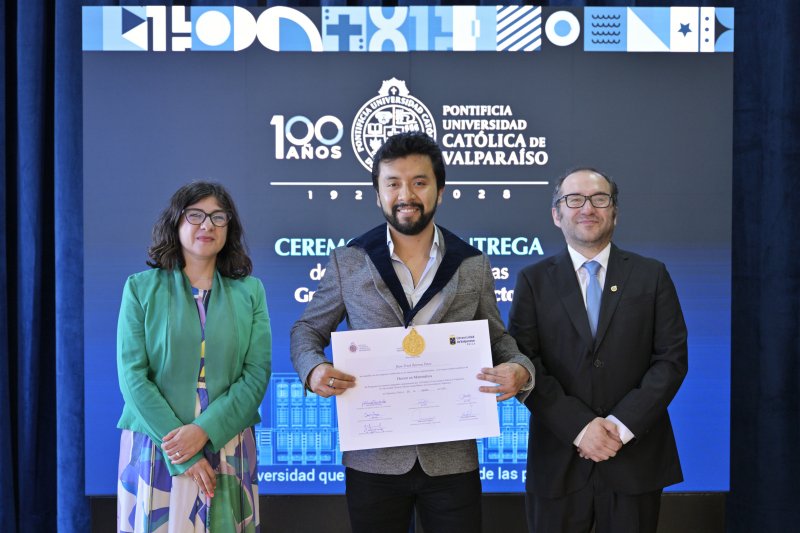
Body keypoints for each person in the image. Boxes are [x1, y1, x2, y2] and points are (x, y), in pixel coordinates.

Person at [290, 131, 535, 533]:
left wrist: (520, 368)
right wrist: (312, 369)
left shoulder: (472, 263)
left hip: (452, 457)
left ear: (440, 191)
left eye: (419, 182)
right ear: (378, 194)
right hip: (373, 457)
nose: (406, 194)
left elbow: (497, 339)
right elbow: (307, 330)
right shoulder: (348, 261)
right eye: (393, 184)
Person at [508, 168, 688, 533]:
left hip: (634, 458)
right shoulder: (533, 280)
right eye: (574, 199)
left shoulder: (652, 275)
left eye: (599, 199)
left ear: (614, 212)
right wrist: (580, 428)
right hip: (558, 459)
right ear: (557, 214)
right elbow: (526, 365)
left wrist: (618, 429)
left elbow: (671, 361)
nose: (587, 208)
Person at [116, 181, 271, 533]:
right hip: (159, 442)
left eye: (218, 217)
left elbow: (256, 374)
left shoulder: (251, 292)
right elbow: (132, 376)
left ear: (229, 227)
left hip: (227, 438)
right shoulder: (140, 288)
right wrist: (180, 447)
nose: (208, 225)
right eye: (196, 215)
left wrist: (204, 431)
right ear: (176, 222)